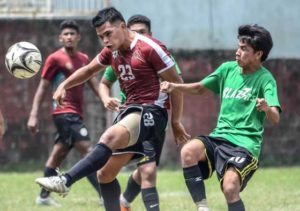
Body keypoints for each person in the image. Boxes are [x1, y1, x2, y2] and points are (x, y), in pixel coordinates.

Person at [35, 7, 189, 211]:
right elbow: (89, 70)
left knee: (110, 139)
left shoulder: (150, 48)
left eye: (108, 33)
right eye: (101, 37)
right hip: (129, 112)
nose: (105, 40)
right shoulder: (111, 51)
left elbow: (177, 84)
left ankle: (66, 180)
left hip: (151, 112)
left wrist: (176, 122)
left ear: (123, 27)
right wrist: (64, 85)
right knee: (105, 175)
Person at [160, 24, 281, 211]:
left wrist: (266, 108)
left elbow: (275, 118)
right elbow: (200, 87)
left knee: (230, 188)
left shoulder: (266, 79)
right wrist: (175, 87)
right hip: (219, 137)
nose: (237, 52)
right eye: (238, 47)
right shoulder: (227, 69)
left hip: (244, 145)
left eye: (244, 49)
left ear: (258, 54)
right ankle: (202, 207)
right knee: (188, 151)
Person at [98, 14, 183, 211]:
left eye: (141, 32)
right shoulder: (117, 54)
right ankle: (123, 203)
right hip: (129, 118)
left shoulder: (157, 55)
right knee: (147, 170)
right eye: (133, 31)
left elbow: (177, 86)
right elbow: (104, 81)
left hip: (153, 117)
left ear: (150, 35)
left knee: (146, 170)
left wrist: (175, 121)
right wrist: (105, 98)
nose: (135, 36)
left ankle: (123, 202)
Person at [28, 20, 102, 206]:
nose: (69, 37)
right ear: (60, 38)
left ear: (78, 37)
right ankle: (104, 196)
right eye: (65, 34)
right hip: (63, 112)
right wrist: (33, 114)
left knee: (58, 154)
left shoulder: (84, 59)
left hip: (76, 113)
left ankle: (43, 197)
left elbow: (94, 83)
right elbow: (43, 87)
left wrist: (106, 99)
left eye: (72, 34)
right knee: (88, 149)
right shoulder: (55, 59)